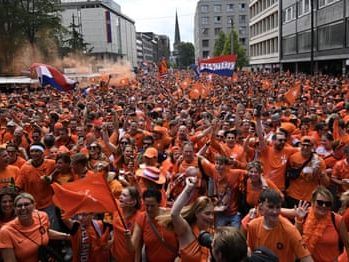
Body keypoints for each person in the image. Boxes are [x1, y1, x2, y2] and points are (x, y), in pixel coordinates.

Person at [158, 167, 214, 262]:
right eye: (207, 213)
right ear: (197, 213)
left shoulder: (212, 233)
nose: (211, 217)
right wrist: (188, 188)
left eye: (212, 214)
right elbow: (174, 214)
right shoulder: (186, 230)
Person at [247, 188, 313, 262]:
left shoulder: (289, 230)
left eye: (278, 207)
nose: (275, 211)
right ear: (261, 206)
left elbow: (306, 258)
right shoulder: (253, 226)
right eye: (270, 207)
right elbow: (250, 251)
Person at [0, 193, 70, 262]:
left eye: (26, 204)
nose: (23, 208)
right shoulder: (6, 231)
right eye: (19, 206)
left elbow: (45, 232)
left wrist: (68, 237)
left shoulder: (42, 216)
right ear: (15, 209)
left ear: (34, 206)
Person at [294, 186, 349, 261]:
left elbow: (347, 245)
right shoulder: (304, 214)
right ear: (313, 202)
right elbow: (295, 239)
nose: (323, 206)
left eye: (327, 204)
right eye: (320, 202)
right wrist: (299, 220)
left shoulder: (337, 219)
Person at [132, 188, 178, 262]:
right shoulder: (141, 218)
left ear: (159, 203)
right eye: (147, 205)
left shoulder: (170, 216)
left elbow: (181, 239)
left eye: (152, 206)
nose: (149, 209)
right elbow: (135, 245)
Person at [111, 186, 141, 262]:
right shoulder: (116, 209)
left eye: (124, 195)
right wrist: (111, 241)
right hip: (114, 257)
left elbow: (137, 247)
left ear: (133, 201)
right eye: (121, 194)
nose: (120, 197)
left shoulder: (139, 217)